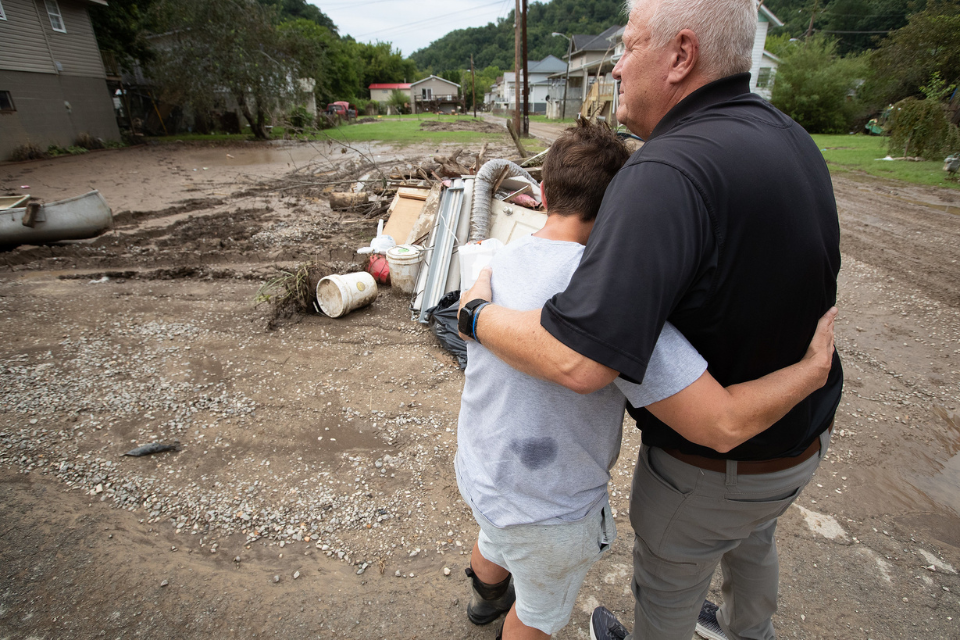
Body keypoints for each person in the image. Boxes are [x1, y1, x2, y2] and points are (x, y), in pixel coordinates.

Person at [458, 1, 843, 638]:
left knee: (665, 602)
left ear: (681, 54)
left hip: (709, 474)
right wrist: (811, 375)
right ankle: (750, 630)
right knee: (752, 549)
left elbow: (582, 359)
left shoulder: (659, 176)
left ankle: (491, 600)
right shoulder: (787, 135)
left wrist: (475, 312)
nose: (613, 67)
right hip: (795, 447)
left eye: (629, 46)